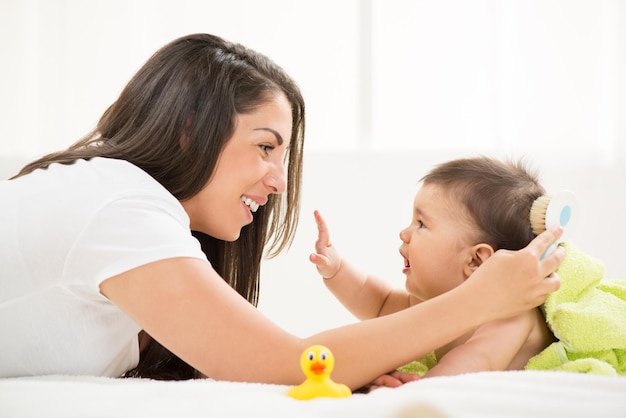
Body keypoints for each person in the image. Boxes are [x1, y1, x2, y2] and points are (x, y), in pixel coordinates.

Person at [0, 33, 564, 390]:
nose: (278, 179)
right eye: (266, 146)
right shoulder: (120, 205)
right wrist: (483, 298)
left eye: (285, 155)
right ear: (190, 132)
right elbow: (289, 363)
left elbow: (272, 357)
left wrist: (356, 368)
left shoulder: (126, 216)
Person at [310, 156, 559, 389]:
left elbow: (472, 363)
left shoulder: (511, 316)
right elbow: (379, 303)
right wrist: (337, 270)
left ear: (475, 260)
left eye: (421, 224)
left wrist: (419, 390)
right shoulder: (434, 305)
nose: (404, 233)